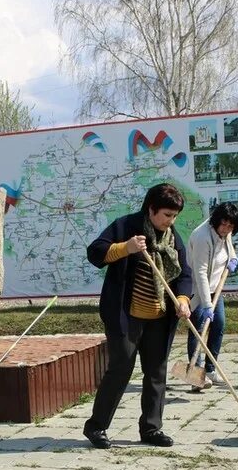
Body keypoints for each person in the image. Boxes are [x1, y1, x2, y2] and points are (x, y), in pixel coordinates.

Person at [83, 183, 193, 449]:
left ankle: (151, 428)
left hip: (160, 316)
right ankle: (96, 427)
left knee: (156, 371)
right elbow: (95, 252)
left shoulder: (172, 238)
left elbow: (184, 274)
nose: (171, 221)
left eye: (175, 216)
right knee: (121, 368)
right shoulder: (126, 226)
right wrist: (126, 248)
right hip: (126, 315)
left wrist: (182, 299)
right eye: (167, 215)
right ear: (151, 209)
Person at [186, 203, 238, 392]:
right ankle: (196, 374)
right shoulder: (202, 237)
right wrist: (207, 304)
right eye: (224, 225)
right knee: (199, 329)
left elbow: (228, 245)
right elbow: (200, 272)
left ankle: (210, 370)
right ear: (216, 221)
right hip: (198, 289)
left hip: (215, 287)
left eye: (231, 227)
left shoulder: (225, 232)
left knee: (219, 325)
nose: (226, 230)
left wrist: (233, 257)